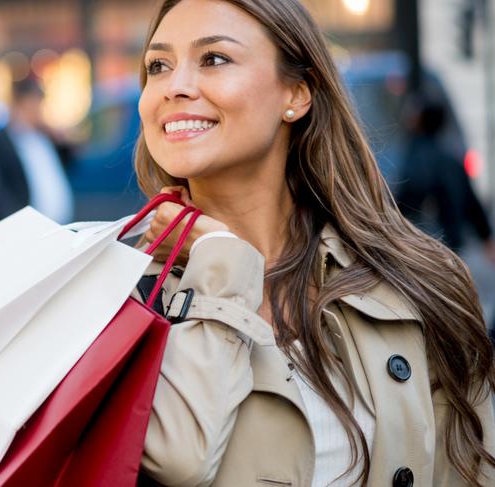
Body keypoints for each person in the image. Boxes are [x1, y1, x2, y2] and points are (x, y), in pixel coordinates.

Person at [132, 1, 495, 486]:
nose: (174, 86)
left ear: (296, 94)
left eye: (213, 58)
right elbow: (180, 461)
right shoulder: (115, 299)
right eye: (158, 66)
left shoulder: (418, 280)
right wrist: (219, 267)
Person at [396, 97, 495, 263]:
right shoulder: (451, 158)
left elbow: (406, 203)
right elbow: (471, 201)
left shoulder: (414, 158)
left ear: (420, 121)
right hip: (452, 247)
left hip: (423, 247)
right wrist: (486, 237)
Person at [0, 79, 75, 224]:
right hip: (29, 226)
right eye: (35, 103)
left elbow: (68, 164)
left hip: (59, 223)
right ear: (22, 103)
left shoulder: (43, 135)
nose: (39, 110)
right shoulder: (1, 142)